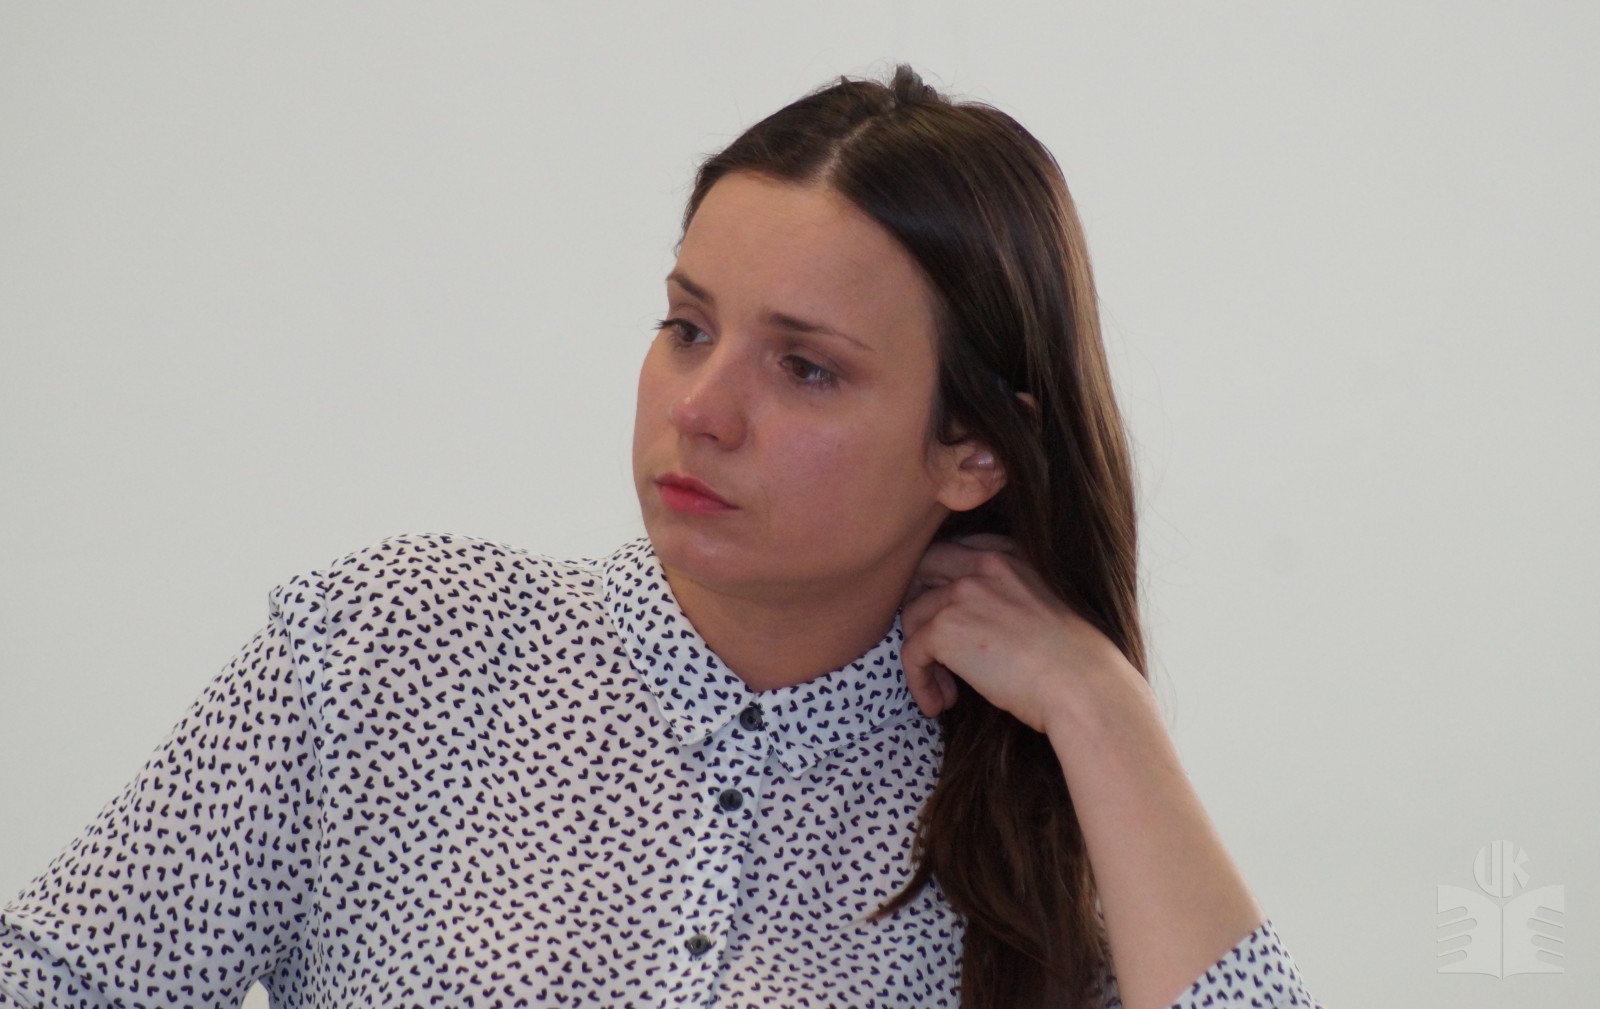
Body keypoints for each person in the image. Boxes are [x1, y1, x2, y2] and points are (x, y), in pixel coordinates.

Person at [0, 64, 1323, 1009]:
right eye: (688, 327)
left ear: (973, 450)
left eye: (805, 368)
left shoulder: (1040, 829)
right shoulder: (392, 648)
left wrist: (1101, 707)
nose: (701, 409)